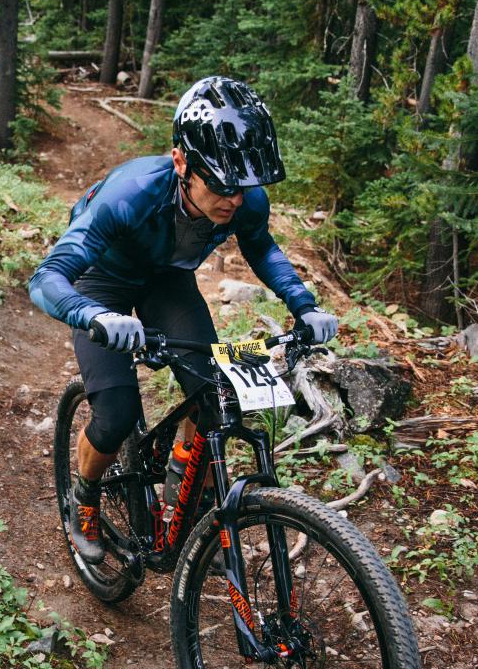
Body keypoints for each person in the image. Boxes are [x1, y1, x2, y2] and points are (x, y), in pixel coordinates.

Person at [28, 76, 337, 563]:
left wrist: (305, 306)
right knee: (115, 417)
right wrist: (92, 315)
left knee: (213, 395)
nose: (233, 199)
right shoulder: (129, 195)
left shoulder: (243, 199)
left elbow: (262, 250)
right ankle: (83, 498)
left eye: (243, 185)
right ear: (180, 162)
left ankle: (185, 498)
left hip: (167, 280)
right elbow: (46, 278)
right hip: (101, 281)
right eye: (218, 183)